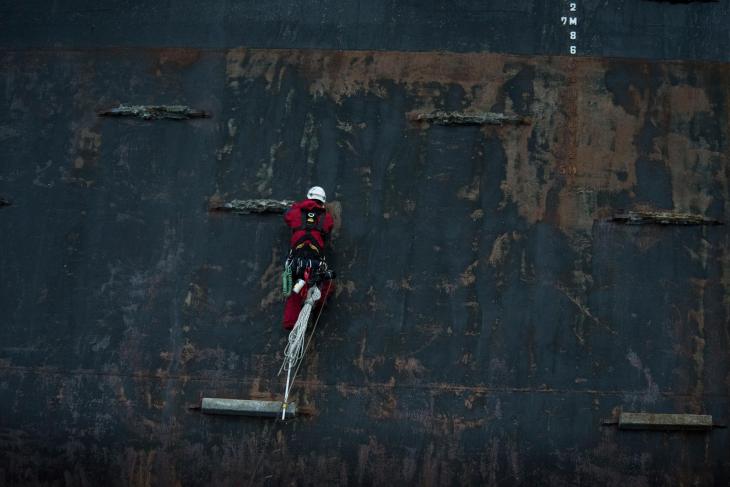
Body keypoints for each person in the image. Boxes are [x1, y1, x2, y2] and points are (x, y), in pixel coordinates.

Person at [282, 186, 336, 329]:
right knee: (327, 284)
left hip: (296, 263)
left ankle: (290, 322)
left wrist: (296, 207)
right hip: (315, 265)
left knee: (295, 290)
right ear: (322, 202)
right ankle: (316, 305)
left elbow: (287, 216)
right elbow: (328, 228)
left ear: (308, 197)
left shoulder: (295, 213)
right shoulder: (327, 218)